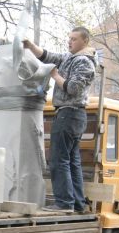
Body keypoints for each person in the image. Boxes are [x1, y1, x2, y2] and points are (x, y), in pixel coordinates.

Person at [23, 27, 96, 212]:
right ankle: (78, 203)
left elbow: (73, 88)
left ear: (84, 41)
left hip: (70, 113)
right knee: (71, 161)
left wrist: (54, 75)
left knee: (59, 159)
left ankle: (64, 203)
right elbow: (47, 56)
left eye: (74, 39)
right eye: (69, 38)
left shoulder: (85, 63)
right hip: (70, 115)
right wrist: (30, 45)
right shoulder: (68, 58)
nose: (69, 41)